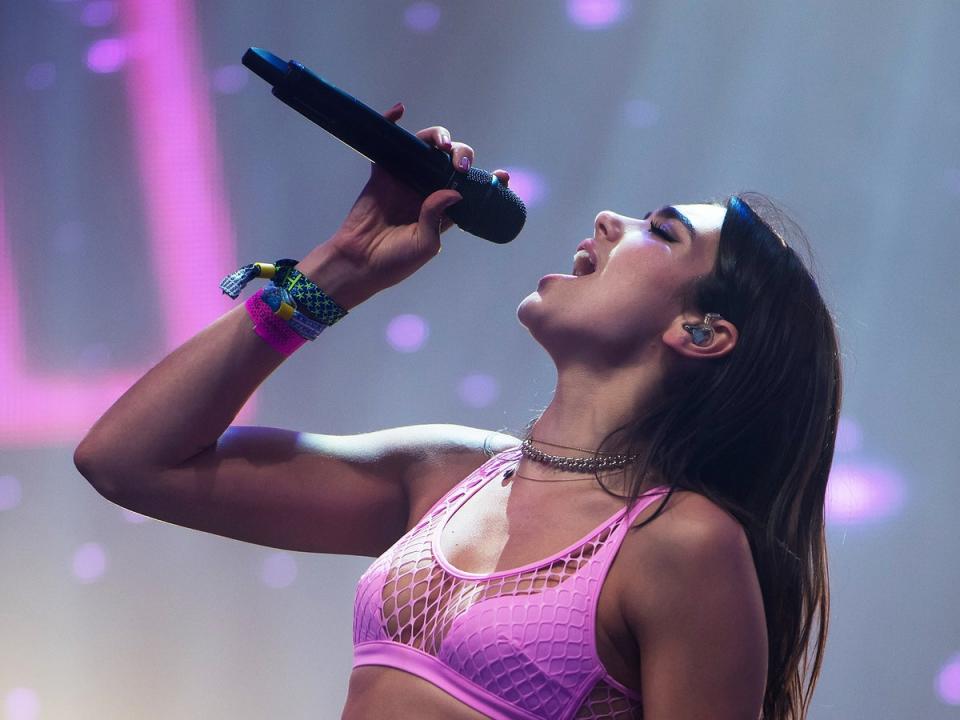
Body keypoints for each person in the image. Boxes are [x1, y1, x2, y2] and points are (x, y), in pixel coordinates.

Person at [74, 101, 840, 720]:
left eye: (660, 231)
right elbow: (128, 461)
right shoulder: (446, 475)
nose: (611, 220)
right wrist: (342, 265)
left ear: (701, 332)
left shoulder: (683, 543)